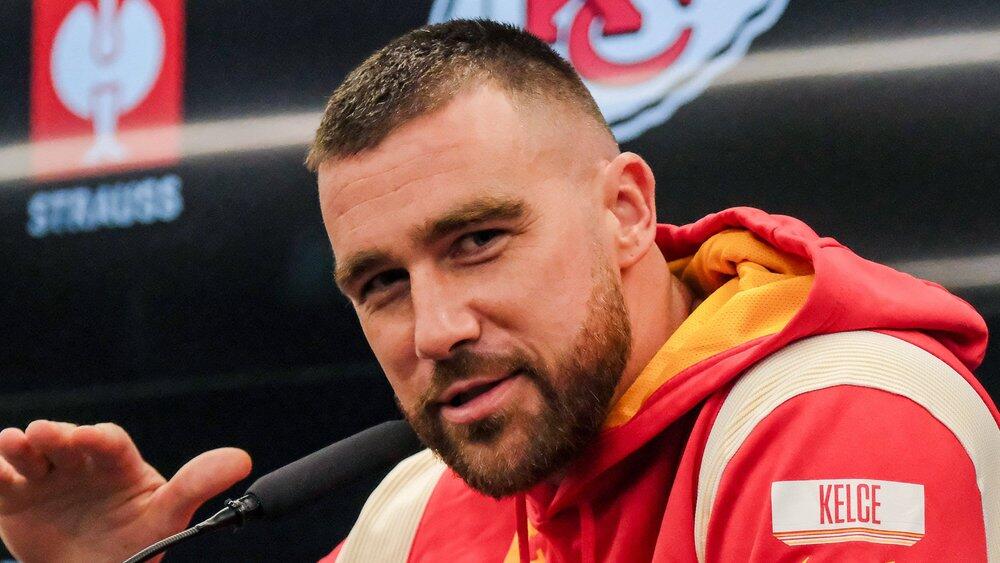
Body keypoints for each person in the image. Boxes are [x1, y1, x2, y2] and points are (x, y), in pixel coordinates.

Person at [1, 19, 997, 563]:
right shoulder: (416, 514)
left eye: (478, 241)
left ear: (624, 212)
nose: (435, 329)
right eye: (382, 283)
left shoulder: (842, 420)